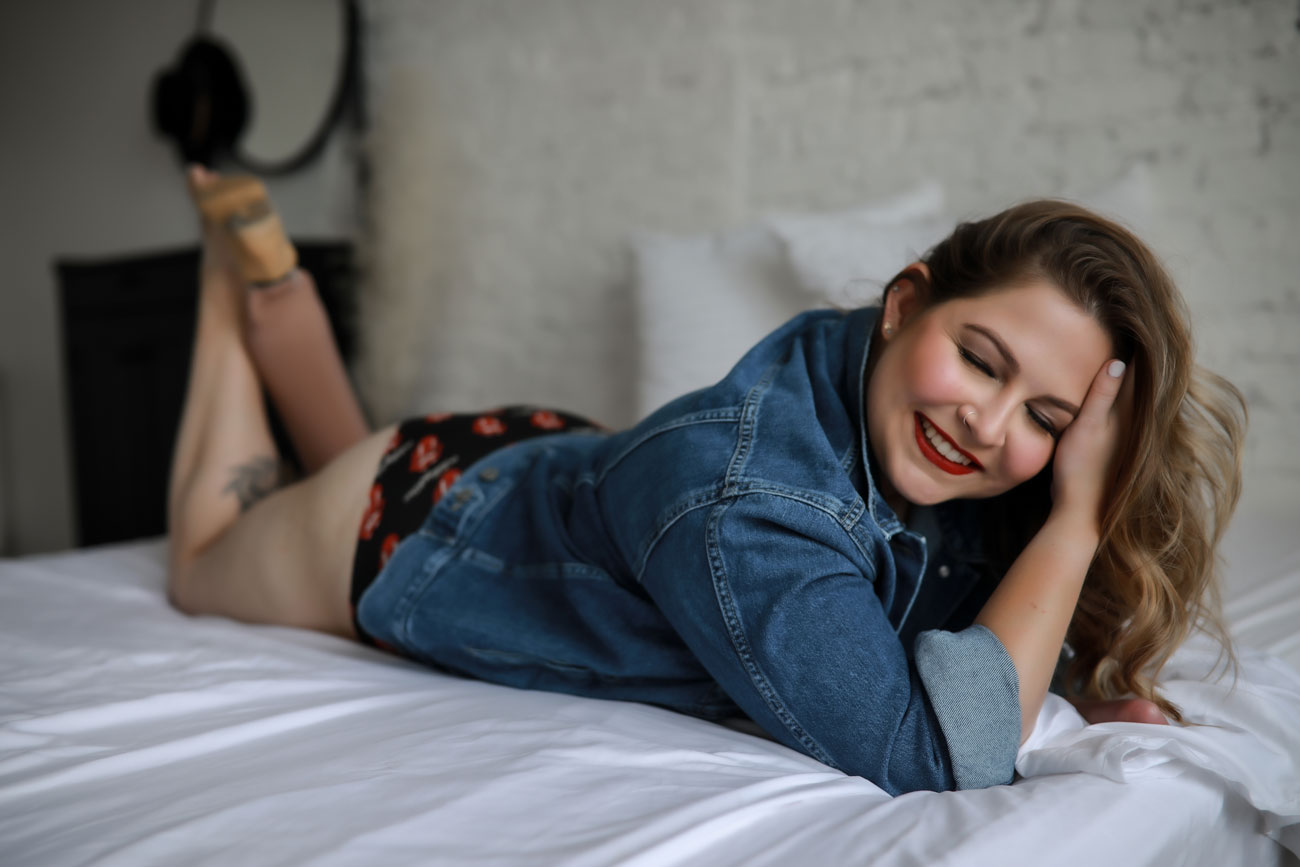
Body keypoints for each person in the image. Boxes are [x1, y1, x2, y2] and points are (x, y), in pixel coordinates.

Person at [167, 166, 1246, 795]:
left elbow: (978, 622)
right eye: (978, 359)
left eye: (1048, 420)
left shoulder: (915, 431)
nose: (986, 423)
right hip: (414, 520)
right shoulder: (743, 502)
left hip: (558, 466)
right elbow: (931, 752)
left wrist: (1079, 668)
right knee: (203, 561)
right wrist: (1076, 518)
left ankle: (280, 295)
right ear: (904, 303)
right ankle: (228, 294)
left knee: (340, 448)